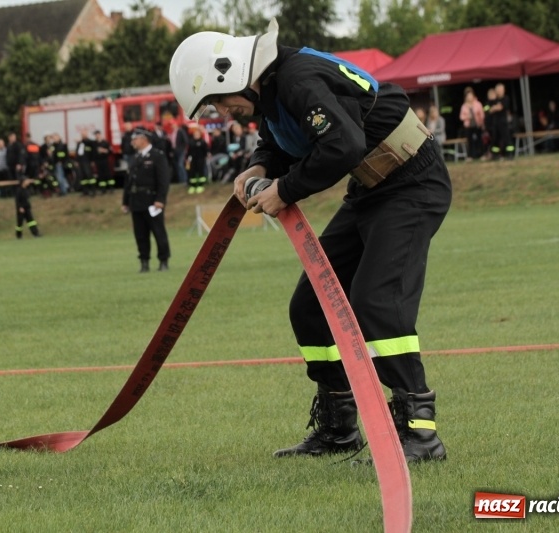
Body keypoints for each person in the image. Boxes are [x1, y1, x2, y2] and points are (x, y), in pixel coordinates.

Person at [170, 18, 451, 463]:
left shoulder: (297, 79)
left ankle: (420, 431)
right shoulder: (274, 88)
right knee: (310, 306)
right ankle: (339, 428)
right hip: (372, 189)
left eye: (217, 102)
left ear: (232, 76)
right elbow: (280, 138)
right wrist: (261, 166)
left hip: (411, 184)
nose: (221, 114)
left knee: (377, 303)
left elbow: (343, 145)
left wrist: (285, 190)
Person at [121, 127, 171, 273]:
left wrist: (160, 199)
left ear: (144, 140)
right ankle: (144, 261)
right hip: (136, 200)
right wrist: (125, 201)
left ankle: (163, 260)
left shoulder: (157, 156)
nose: (132, 142)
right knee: (140, 234)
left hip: (152, 201)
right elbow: (129, 182)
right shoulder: (135, 158)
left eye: (135, 139)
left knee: (158, 232)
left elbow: (163, 180)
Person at [488, 83, 514, 159]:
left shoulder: (506, 98)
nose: (500, 91)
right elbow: (489, 109)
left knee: (506, 138)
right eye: (499, 89)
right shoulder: (494, 100)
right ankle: (495, 155)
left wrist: (495, 108)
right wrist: (494, 107)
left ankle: (510, 154)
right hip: (495, 123)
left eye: (502, 89)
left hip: (503, 123)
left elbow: (500, 108)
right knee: (495, 139)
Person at [459, 87, 485, 160]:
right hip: (468, 126)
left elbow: (482, 114)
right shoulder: (464, 106)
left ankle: (481, 154)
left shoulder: (478, 104)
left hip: (477, 125)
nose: (469, 97)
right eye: (468, 96)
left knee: (479, 140)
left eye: (471, 95)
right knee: (470, 141)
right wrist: (467, 117)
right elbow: (461, 117)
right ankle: (470, 156)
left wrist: (481, 123)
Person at [186, 126, 209, 194]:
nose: (196, 135)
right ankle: (193, 186)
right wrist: (188, 159)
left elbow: (206, 150)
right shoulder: (191, 142)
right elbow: (189, 152)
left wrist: (206, 156)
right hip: (193, 160)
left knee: (200, 172)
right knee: (192, 173)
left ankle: (200, 185)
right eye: (195, 134)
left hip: (200, 159)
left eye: (197, 134)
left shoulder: (203, 142)